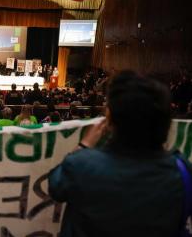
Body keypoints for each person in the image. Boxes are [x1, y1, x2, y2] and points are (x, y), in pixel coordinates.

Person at [48, 70, 192, 237]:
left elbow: (55, 186)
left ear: (110, 118)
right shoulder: (183, 172)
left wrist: (84, 144)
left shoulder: (81, 165)